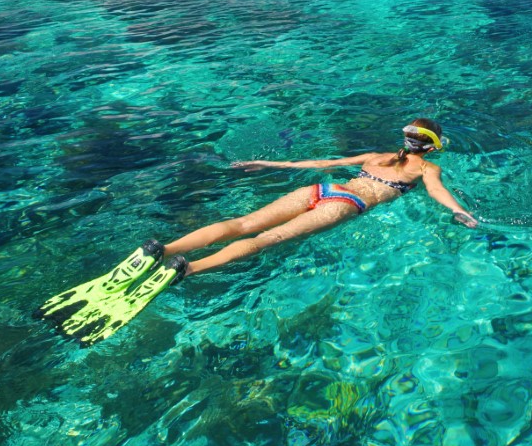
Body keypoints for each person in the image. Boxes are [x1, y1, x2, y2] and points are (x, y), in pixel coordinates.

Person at [35, 118, 476, 344]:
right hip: (351, 202)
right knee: (265, 240)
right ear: (433, 145)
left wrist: (269, 164)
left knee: (242, 224)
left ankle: (160, 247)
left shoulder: (378, 153)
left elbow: (318, 164)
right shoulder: (427, 167)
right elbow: (437, 191)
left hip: (324, 188)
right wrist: (461, 213)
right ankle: (184, 270)